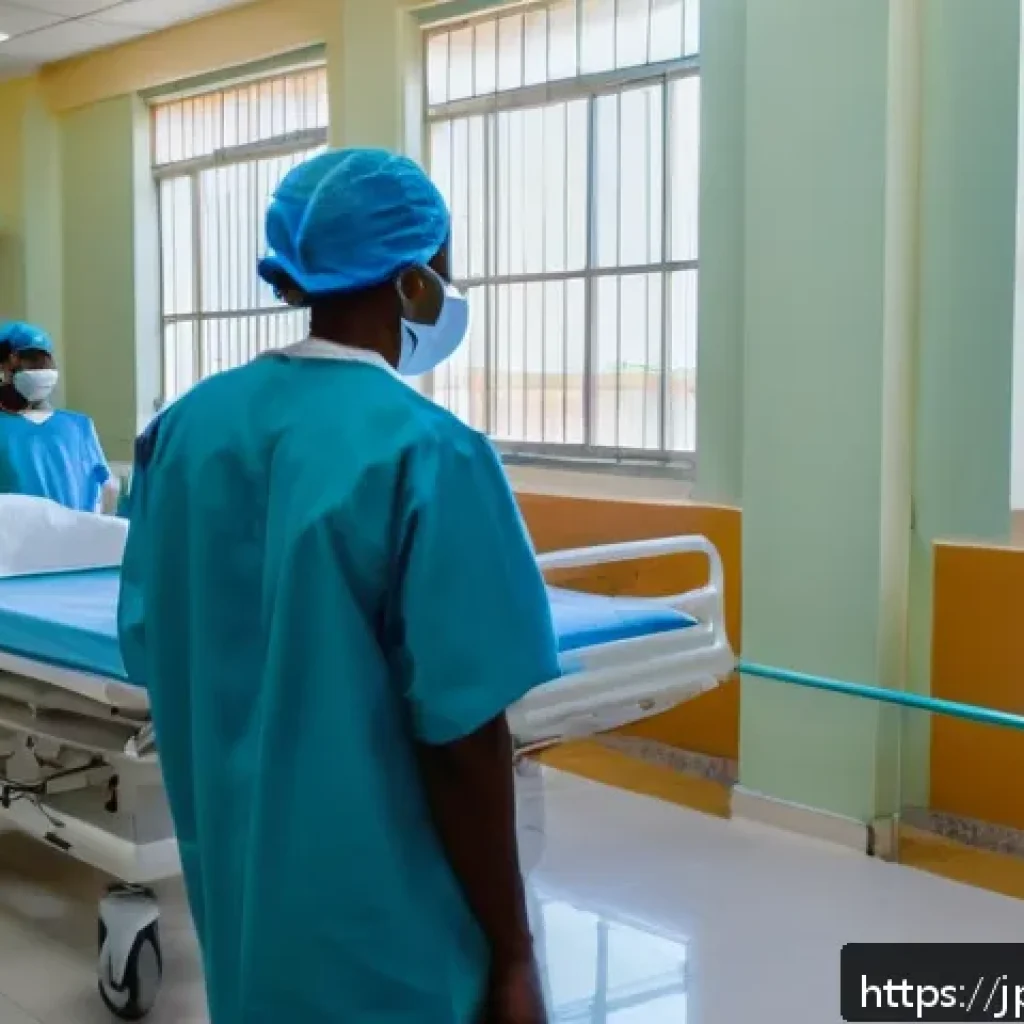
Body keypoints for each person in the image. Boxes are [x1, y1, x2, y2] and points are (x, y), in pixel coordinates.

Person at [118, 149, 559, 1024]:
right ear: (413, 281)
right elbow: (465, 738)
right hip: (386, 930)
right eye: (444, 267)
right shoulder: (427, 454)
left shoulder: (184, 433)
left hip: (245, 904)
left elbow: (152, 638)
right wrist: (512, 950)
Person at [0, 321, 117, 514]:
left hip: (51, 532)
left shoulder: (79, 425)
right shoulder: (77, 425)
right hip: (63, 531)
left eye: (40, 362)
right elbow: (109, 487)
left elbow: (109, 487)